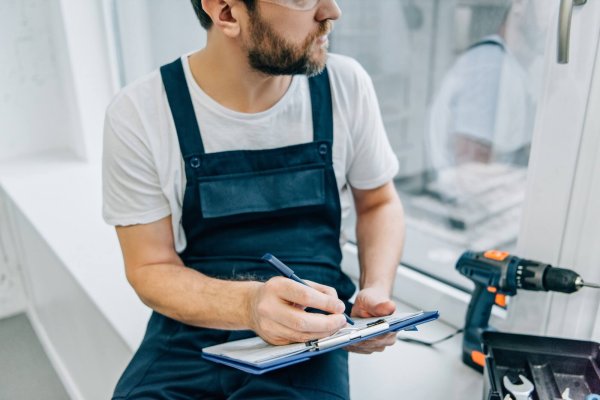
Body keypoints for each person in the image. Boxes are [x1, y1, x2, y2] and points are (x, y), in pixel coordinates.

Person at [102, 0, 405, 398]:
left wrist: (375, 290)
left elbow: (378, 203)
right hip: (190, 330)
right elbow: (149, 267)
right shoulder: (139, 112)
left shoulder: (344, 85)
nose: (331, 11)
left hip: (311, 332)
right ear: (227, 12)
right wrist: (249, 305)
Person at [426, 0, 536, 171]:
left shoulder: (511, 65)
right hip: (467, 193)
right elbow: (470, 167)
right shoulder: (491, 66)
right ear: (519, 8)